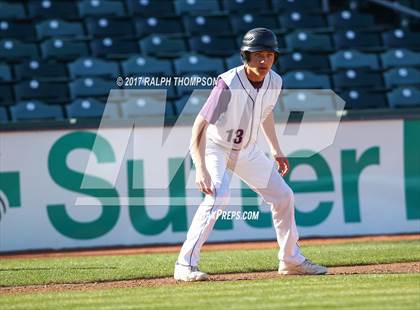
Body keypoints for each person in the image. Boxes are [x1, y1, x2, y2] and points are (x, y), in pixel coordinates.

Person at [174, 28, 327, 282]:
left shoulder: (275, 81)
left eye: (269, 54)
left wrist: (276, 150)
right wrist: (200, 167)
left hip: (247, 150)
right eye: (258, 55)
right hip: (216, 148)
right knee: (218, 197)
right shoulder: (230, 83)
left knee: (283, 196)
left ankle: (291, 260)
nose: (264, 60)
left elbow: (265, 114)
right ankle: (184, 264)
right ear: (246, 56)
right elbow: (198, 127)